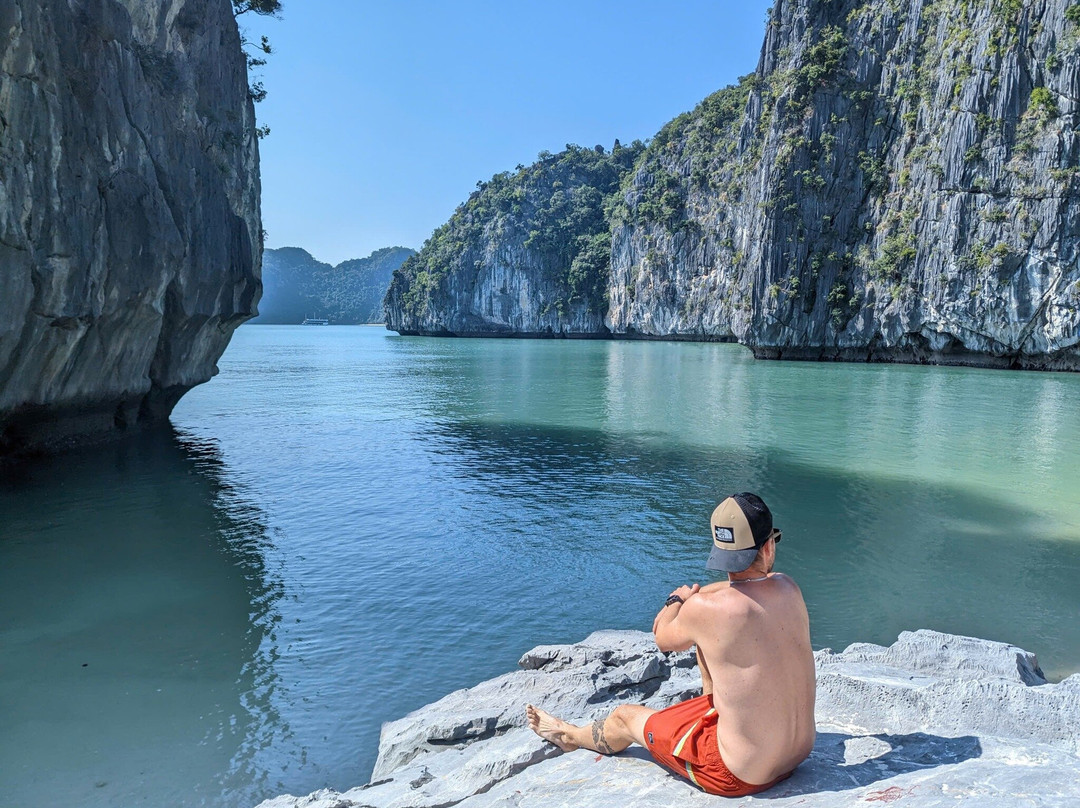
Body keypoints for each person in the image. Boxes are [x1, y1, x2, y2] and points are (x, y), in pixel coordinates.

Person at [526, 492, 815, 797]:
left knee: (625, 717)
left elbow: (662, 637)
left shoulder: (705, 611)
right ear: (768, 546)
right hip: (796, 756)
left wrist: (676, 601)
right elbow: (746, 590)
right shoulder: (788, 587)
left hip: (738, 774)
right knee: (709, 644)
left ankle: (570, 736)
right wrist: (698, 599)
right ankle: (710, 715)